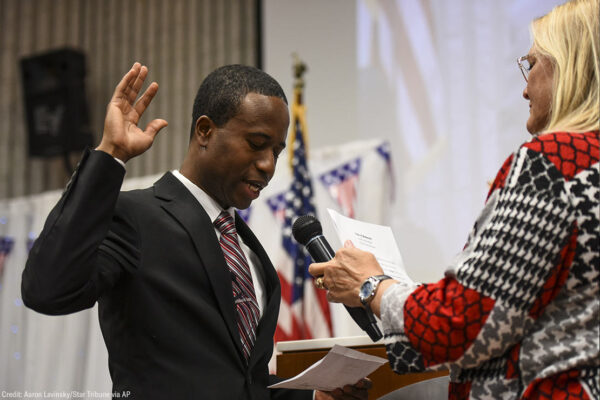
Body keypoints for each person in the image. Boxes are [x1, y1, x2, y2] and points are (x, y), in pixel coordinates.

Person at [22, 63, 370, 400]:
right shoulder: (135, 217)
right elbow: (47, 290)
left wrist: (314, 396)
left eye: (276, 152)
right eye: (256, 143)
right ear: (204, 131)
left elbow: (243, 380)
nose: (268, 166)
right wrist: (110, 155)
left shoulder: (249, 251)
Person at [309, 0, 599, 398]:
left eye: (531, 63)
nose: (524, 86)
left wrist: (372, 286)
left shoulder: (553, 165)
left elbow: (462, 323)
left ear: (567, 67)